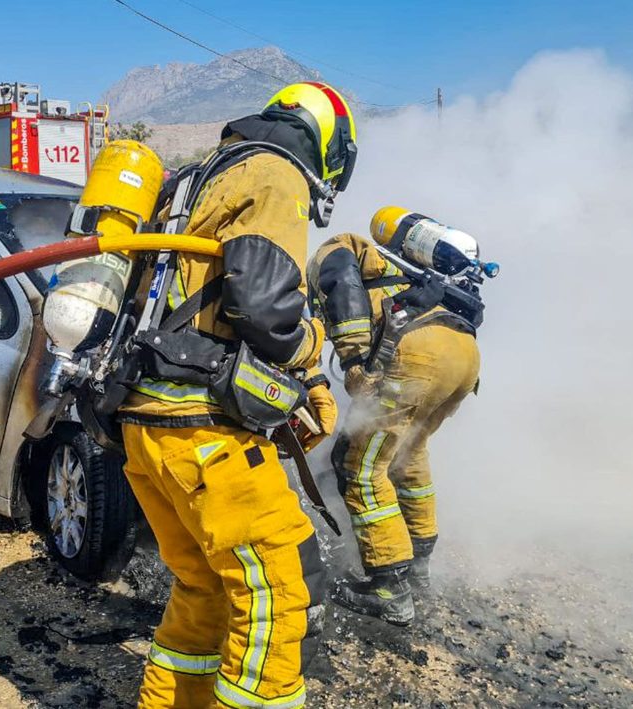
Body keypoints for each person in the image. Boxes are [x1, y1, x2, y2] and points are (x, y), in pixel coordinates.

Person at [116, 82, 357, 708]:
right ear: (328, 145)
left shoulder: (200, 177)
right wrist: (312, 354)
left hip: (149, 425)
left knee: (204, 588)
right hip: (204, 434)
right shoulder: (278, 174)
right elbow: (266, 309)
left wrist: (301, 387)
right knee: (275, 596)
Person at [305, 218, 482, 627]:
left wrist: (352, 359)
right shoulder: (412, 276)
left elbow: (341, 290)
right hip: (464, 352)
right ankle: (419, 567)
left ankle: (388, 586)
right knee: (408, 452)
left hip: (417, 351)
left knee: (359, 468)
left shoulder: (341, 246)